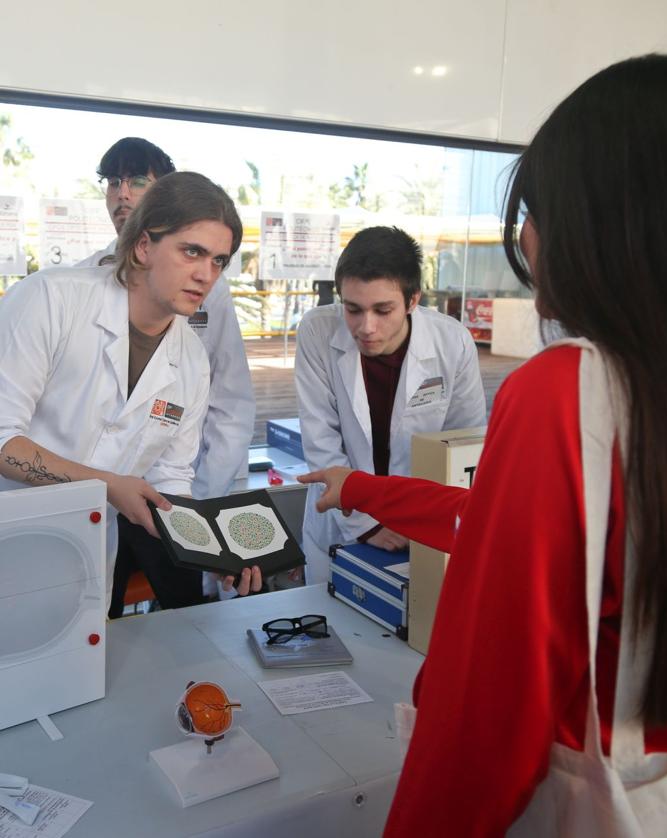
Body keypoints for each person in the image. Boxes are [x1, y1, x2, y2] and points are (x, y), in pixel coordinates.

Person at [300, 55, 667, 835]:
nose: (524, 235)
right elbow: (532, 527)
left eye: (537, 207)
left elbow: (486, 706)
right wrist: (358, 490)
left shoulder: (567, 390)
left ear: (608, 219)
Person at [0, 171, 260, 604]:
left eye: (219, 260)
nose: (206, 274)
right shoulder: (50, 300)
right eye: (192, 251)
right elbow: (2, 440)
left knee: (79, 669)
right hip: (10, 540)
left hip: (86, 564)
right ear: (143, 246)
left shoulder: (192, 360)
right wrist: (108, 484)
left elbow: (169, 477)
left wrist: (213, 548)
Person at [77, 138, 257, 611]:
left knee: (185, 617)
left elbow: (230, 402)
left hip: (169, 496)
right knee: (94, 615)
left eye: (137, 181)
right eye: (112, 182)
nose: (122, 194)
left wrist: (204, 504)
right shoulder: (71, 289)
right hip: (84, 498)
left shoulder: (204, 290)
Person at [294, 225, 486, 584]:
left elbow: (464, 447)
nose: (366, 327)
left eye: (383, 310)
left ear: (413, 300)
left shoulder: (452, 342)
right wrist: (365, 525)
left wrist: (422, 519)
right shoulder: (317, 331)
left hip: (422, 526)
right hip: (341, 520)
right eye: (353, 309)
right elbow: (320, 438)